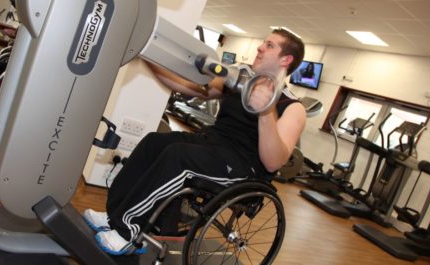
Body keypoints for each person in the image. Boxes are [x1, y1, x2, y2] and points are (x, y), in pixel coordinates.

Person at [84, 28, 307, 255]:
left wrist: (266, 111)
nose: (260, 47)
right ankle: (115, 215)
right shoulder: (239, 78)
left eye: (269, 45)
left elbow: (272, 163)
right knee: (154, 142)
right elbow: (187, 87)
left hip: (242, 166)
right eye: (263, 42)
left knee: (178, 156)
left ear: (286, 59)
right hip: (211, 142)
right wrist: (146, 54)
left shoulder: (292, 107)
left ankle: (128, 231)